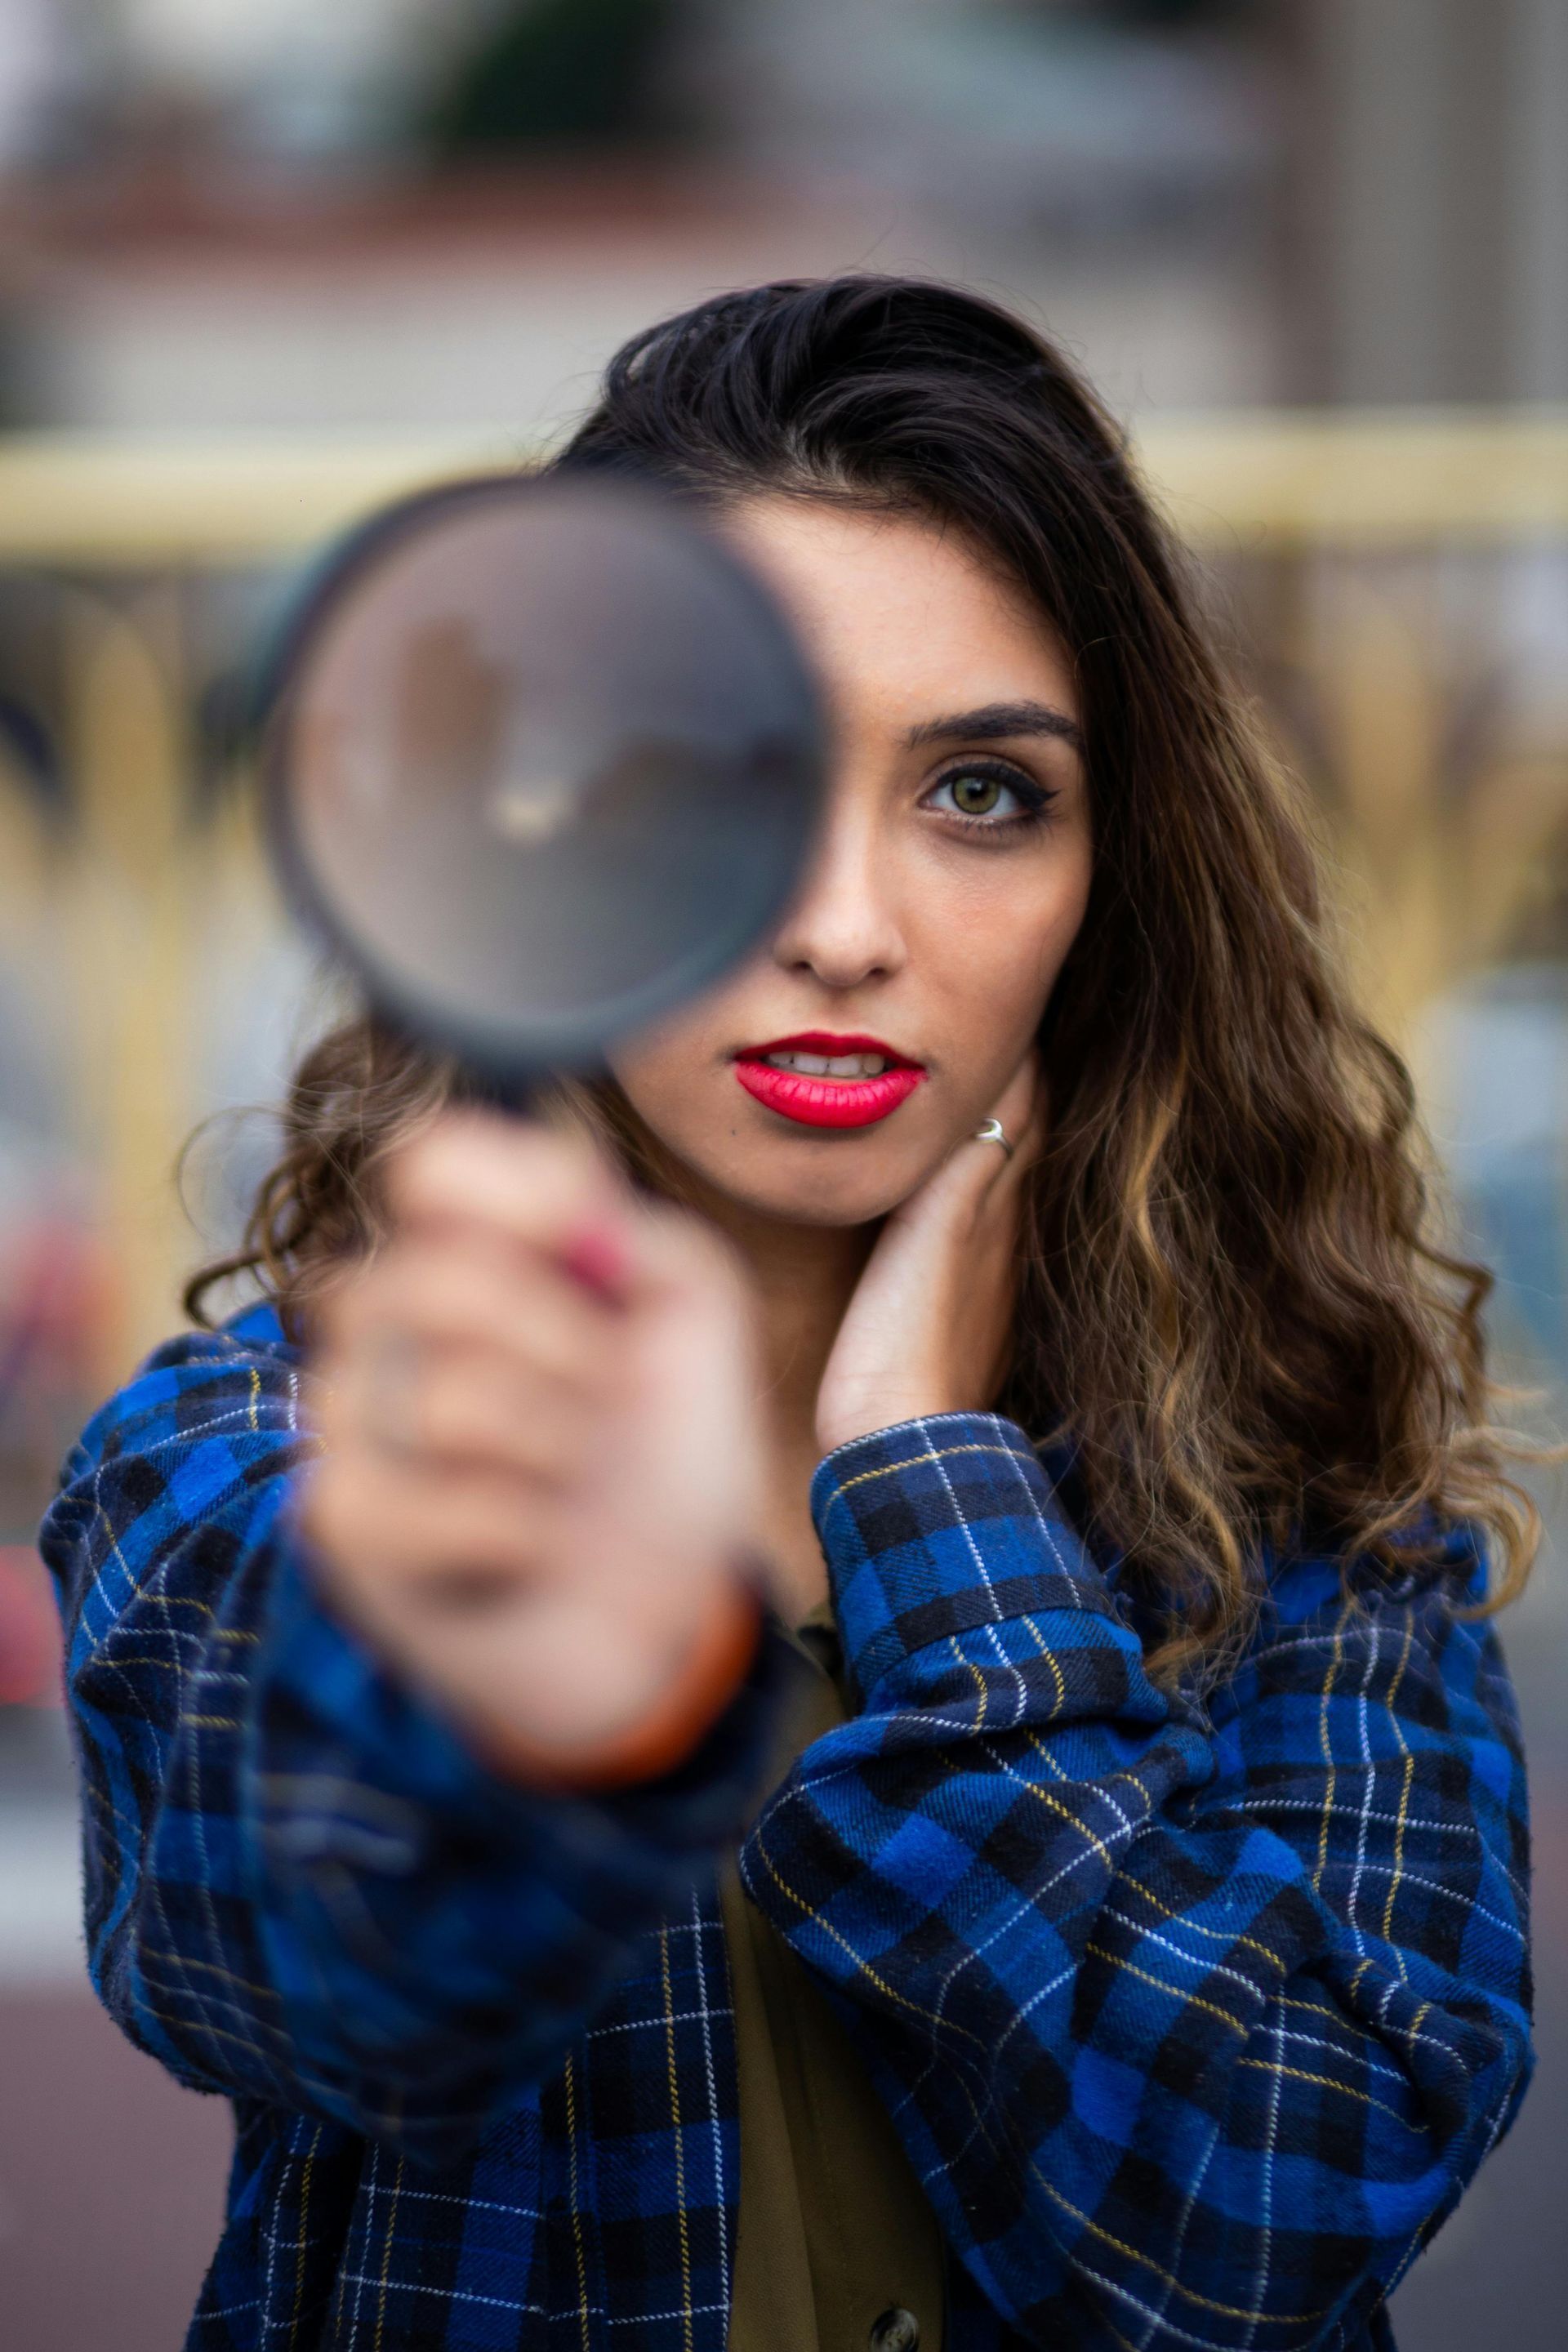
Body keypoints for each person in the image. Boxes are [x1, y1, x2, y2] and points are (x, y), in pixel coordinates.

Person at [40, 277, 1539, 2352]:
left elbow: (1274, 2219)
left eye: (983, 792)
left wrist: (930, 1492)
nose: (843, 926)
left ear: (1119, 872)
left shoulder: (1296, 1494)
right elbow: (295, 1979)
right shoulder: (258, 1463)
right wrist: (530, 1688)